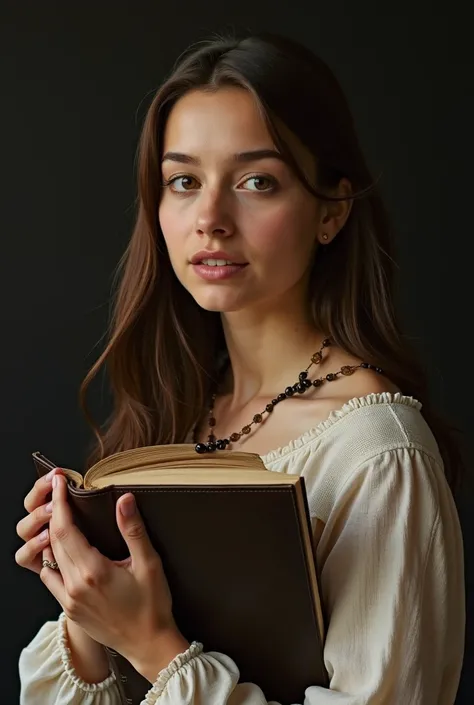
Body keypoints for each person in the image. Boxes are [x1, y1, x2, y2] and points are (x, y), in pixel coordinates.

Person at [16, 31, 465, 705]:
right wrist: (86, 604)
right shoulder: (178, 409)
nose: (211, 218)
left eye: (257, 181)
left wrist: (152, 644)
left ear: (332, 210)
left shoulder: (379, 454)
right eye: (184, 181)